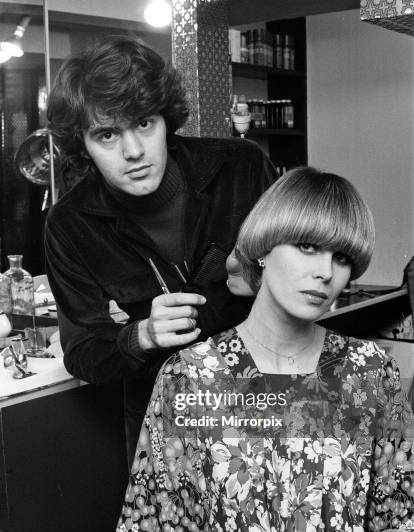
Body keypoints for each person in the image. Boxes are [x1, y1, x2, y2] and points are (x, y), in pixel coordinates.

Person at [104, 167, 414, 532]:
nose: (325, 272)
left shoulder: (367, 371)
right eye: (307, 246)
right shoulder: (192, 376)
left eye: (342, 258)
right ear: (264, 249)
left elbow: (404, 511)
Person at [44, 35, 277, 465]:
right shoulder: (70, 224)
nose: (133, 152)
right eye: (108, 134)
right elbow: (82, 351)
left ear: (166, 119)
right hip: (163, 419)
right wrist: (142, 335)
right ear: (82, 143)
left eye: (145, 124)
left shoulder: (240, 168)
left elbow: (305, 266)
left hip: (266, 401)